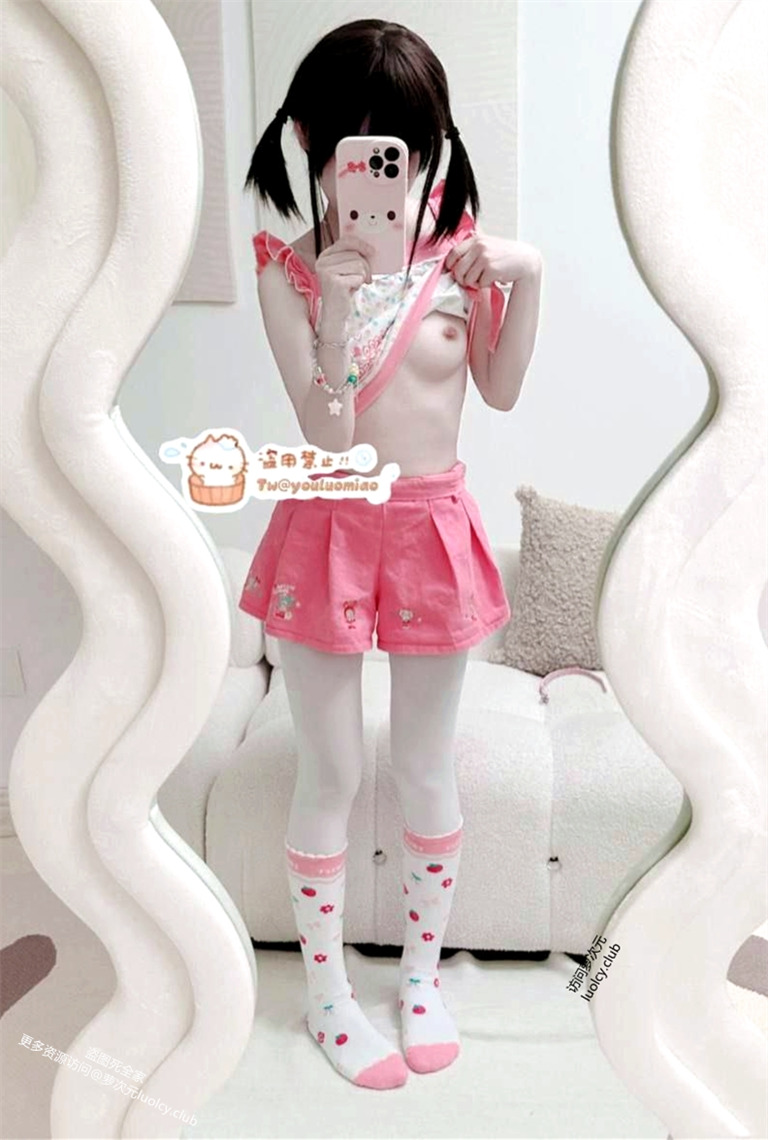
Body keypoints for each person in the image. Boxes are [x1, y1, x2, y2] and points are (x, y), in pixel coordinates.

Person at [239, 18, 543, 1090]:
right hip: (327, 520)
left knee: (422, 764)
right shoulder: (285, 270)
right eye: (359, 144)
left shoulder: (463, 262)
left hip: (431, 529)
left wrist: (529, 274)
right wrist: (333, 305)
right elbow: (326, 436)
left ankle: (420, 979)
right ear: (310, 143)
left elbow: (500, 392)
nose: (385, 169)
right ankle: (327, 995)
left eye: (404, 145)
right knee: (333, 767)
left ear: (430, 146)